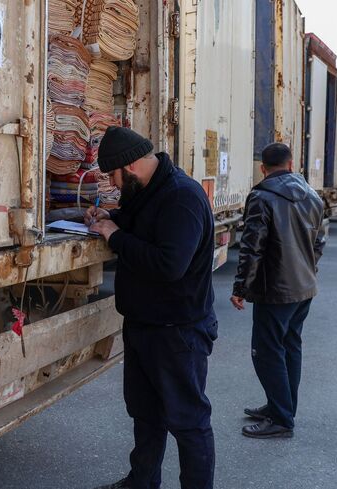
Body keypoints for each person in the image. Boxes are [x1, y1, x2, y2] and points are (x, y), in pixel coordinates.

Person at [87, 126, 217, 489]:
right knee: (145, 414)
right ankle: (141, 482)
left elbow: (168, 265)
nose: (112, 185)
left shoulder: (181, 197)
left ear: (129, 166)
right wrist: (108, 221)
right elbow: (140, 225)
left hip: (178, 330)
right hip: (145, 324)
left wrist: (115, 236)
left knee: (188, 421)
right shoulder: (148, 190)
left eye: (112, 175)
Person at [231, 142, 326, 439]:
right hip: (304, 286)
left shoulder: (261, 196)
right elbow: (319, 242)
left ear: (263, 168)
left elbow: (252, 247)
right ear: (291, 163)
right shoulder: (312, 195)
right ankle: (281, 407)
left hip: (276, 290)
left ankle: (281, 420)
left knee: (267, 352)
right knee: (290, 347)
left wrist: (241, 288)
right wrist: (308, 270)